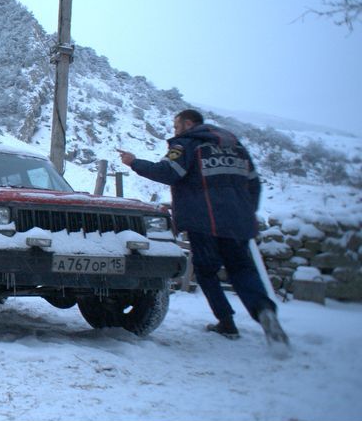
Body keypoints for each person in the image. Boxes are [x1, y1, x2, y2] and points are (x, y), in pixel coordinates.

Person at [118, 109, 290, 350]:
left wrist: (134, 162)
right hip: (238, 223)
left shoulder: (188, 144)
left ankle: (226, 322)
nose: (175, 131)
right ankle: (264, 311)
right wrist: (244, 213)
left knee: (206, 272)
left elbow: (169, 172)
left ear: (188, 123)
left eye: (176, 126)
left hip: (204, 221)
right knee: (243, 270)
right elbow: (254, 185)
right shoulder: (235, 146)